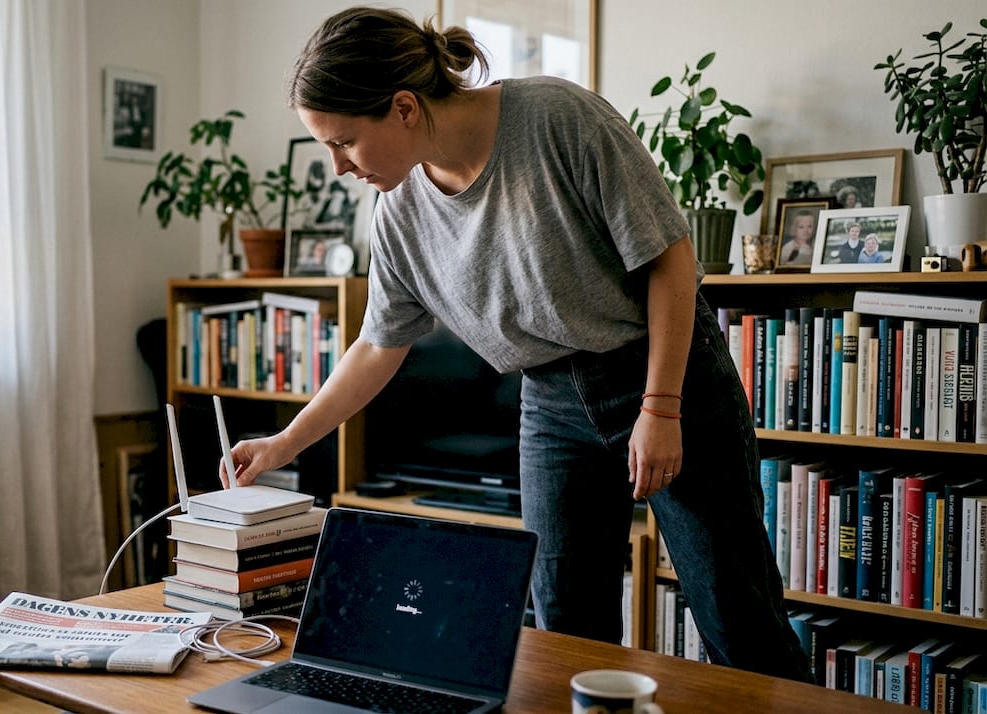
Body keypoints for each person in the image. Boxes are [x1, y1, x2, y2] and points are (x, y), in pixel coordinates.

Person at [225, 6, 810, 682]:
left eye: (345, 142)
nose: (337, 167)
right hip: (552, 402)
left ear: (405, 107)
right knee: (565, 626)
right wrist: (283, 444)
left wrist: (662, 406)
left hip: (661, 373)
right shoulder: (398, 213)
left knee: (737, 616)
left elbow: (670, 259)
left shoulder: (559, 119)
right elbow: (377, 345)